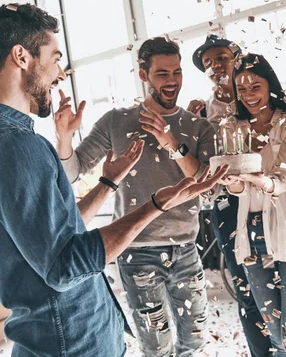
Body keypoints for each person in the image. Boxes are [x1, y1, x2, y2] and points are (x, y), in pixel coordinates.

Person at [0, 3, 227, 357]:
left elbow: (59, 231)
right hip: (72, 338)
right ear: (21, 57)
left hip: (62, 334)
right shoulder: (15, 144)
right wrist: (157, 204)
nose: (60, 74)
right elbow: (63, 266)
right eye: (54, 58)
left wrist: (108, 183)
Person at [57, 37, 217, 356]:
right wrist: (63, 137)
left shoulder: (198, 126)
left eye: (177, 72)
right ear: (143, 75)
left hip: (185, 248)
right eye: (162, 74)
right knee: (156, 346)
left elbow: (206, 184)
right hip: (137, 252)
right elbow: (72, 171)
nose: (172, 81)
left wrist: (172, 143)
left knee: (195, 340)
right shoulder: (117, 121)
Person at [219, 53, 286, 356]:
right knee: (274, 331)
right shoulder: (232, 126)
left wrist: (256, 178)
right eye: (242, 89)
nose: (249, 95)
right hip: (250, 232)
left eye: (256, 87)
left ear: (270, 85)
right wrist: (231, 181)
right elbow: (237, 189)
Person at [191, 36, 273, 356]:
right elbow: (198, 168)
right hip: (226, 205)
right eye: (208, 62)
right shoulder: (200, 112)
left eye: (221, 58)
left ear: (236, 58)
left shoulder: (256, 96)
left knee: (276, 281)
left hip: (266, 197)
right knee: (245, 287)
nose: (215, 66)